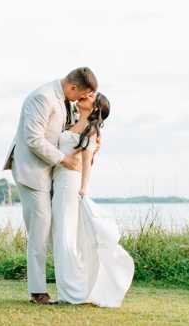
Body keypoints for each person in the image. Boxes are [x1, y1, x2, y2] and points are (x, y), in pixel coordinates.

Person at [3, 67, 98, 304]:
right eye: (81, 96)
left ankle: (70, 283)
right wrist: (64, 159)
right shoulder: (42, 97)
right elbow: (33, 139)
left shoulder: (66, 99)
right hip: (32, 171)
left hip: (52, 174)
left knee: (56, 227)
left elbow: (68, 130)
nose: (80, 101)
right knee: (40, 227)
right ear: (73, 87)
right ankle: (38, 291)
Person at [51, 92, 134, 307]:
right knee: (61, 234)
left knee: (66, 234)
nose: (85, 95)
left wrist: (83, 189)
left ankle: (72, 293)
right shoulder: (70, 123)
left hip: (71, 182)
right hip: (58, 180)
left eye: (91, 95)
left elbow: (87, 162)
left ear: (95, 107)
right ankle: (70, 289)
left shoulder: (92, 131)